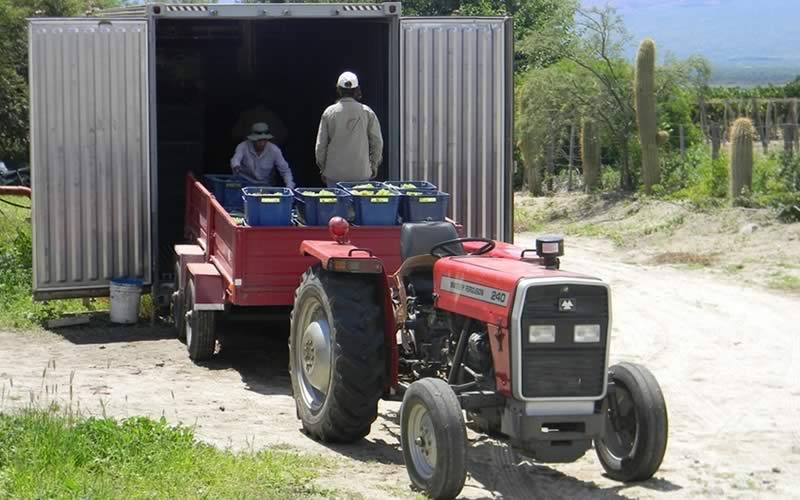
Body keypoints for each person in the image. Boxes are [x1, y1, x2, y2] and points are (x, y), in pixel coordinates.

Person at [315, 71, 383, 187]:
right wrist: (373, 165)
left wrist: (323, 168)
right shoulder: (367, 112)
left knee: (336, 205)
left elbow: (320, 146)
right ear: (357, 90)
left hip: (334, 174)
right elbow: (377, 142)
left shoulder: (329, 113)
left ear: (339, 90)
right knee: (359, 205)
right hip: (361, 174)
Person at [230, 122, 295, 189]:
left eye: (265, 140)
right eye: (259, 140)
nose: (262, 143)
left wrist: (289, 186)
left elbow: (285, 170)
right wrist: (236, 166)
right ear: (253, 139)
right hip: (244, 183)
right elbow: (236, 159)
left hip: (265, 186)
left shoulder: (274, 150)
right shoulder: (243, 146)